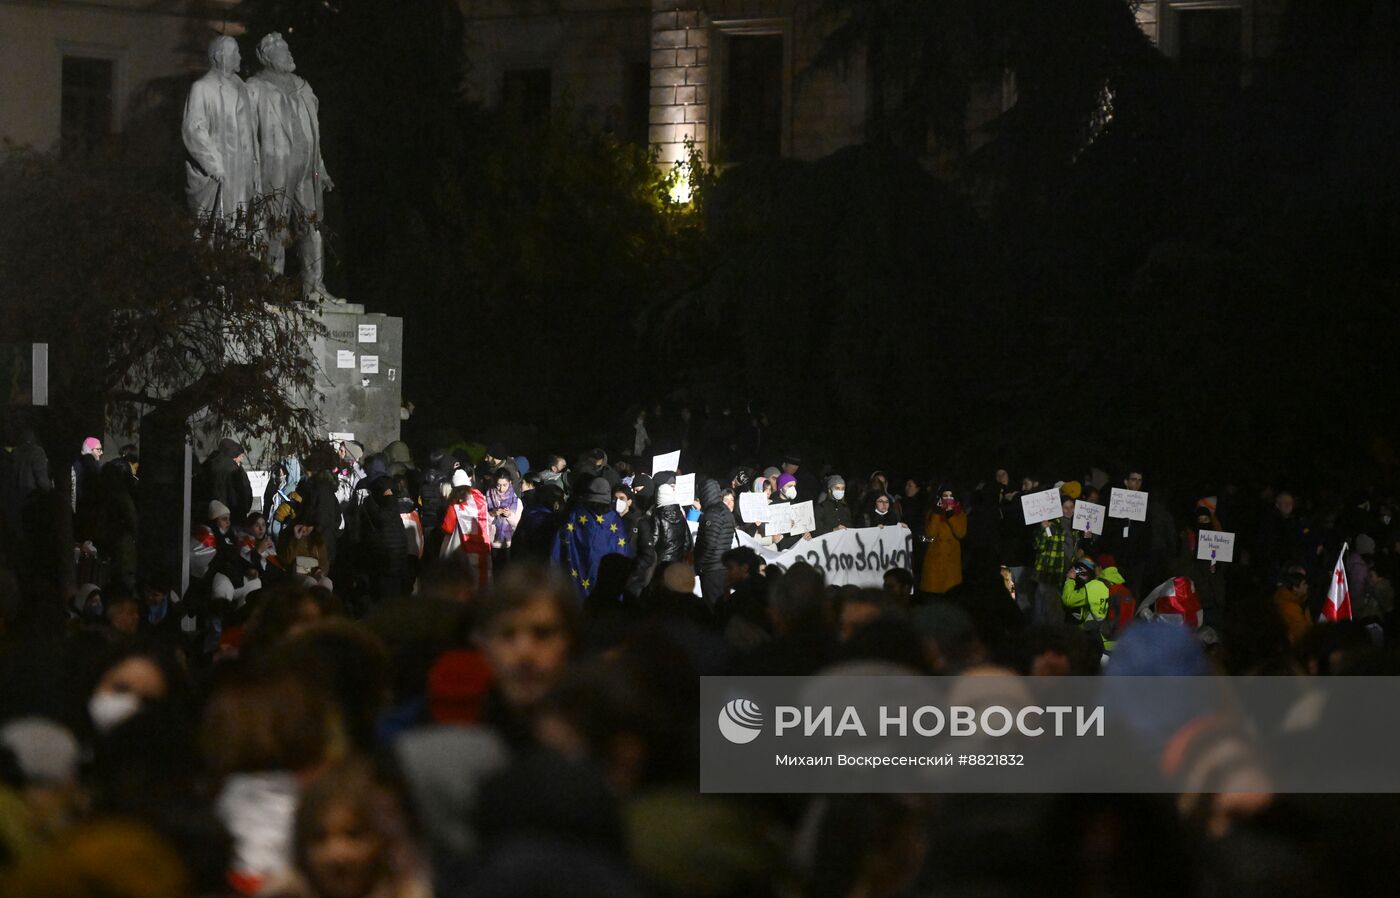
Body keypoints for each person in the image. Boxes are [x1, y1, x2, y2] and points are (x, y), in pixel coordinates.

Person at [247, 32, 338, 302]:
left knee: (313, 226)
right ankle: (270, 286)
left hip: (307, 169)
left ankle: (315, 288)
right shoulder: (255, 88)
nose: (289, 54)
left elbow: (314, 132)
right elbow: (247, 134)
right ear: (266, 57)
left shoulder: (303, 87)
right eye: (282, 50)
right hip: (275, 166)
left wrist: (322, 166)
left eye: (288, 48)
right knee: (275, 226)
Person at [182, 35, 259, 225]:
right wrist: (215, 166)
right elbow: (194, 130)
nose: (240, 57)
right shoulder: (202, 88)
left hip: (246, 171)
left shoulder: (243, 88)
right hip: (223, 171)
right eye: (235, 52)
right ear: (219, 56)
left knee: (246, 227)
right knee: (223, 230)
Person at [552, 476, 633, 601]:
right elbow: (622, 552)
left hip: (577, 582)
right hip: (607, 586)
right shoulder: (615, 520)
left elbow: (560, 547)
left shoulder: (575, 515)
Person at [441, 469, 493, 593]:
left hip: (463, 548)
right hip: (483, 545)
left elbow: (447, 527)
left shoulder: (456, 503)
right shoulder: (480, 497)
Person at [694, 477, 736, 610]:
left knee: (712, 606)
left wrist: (700, 564)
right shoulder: (725, 511)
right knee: (721, 605)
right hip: (723, 566)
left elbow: (709, 543)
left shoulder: (713, 513)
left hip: (711, 568)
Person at [919, 487, 966, 596]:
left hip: (951, 564)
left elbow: (961, 533)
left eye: (950, 496)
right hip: (934, 562)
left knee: (951, 596)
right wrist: (936, 513)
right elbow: (930, 534)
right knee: (933, 597)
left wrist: (951, 516)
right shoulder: (932, 512)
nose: (948, 499)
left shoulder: (959, 513)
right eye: (945, 496)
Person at [206, 438, 254, 523]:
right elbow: (245, 491)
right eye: (241, 456)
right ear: (234, 455)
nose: (241, 460)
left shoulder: (209, 465)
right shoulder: (236, 470)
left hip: (211, 515)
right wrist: (243, 510)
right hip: (234, 516)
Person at [486, 469, 523, 562]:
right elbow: (481, 521)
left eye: (504, 485)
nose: (501, 489)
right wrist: (492, 514)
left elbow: (518, 525)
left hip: (507, 544)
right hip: (489, 542)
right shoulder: (487, 497)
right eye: (498, 485)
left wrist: (509, 515)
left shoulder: (516, 501)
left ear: (510, 482)